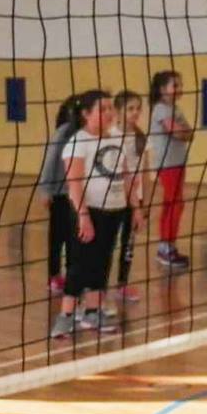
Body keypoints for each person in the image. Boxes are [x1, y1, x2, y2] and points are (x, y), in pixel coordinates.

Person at [50, 90, 133, 340]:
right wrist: (83, 216)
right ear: (86, 114)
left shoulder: (118, 137)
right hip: (89, 210)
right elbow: (74, 183)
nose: (109, 113)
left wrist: (135, 208)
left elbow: (126, 173)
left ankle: (93, 312)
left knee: (103, 262)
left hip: (115, 210)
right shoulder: (78, 141)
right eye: (102, 109)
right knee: (80, 263)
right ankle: (65, 316)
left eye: (110, 108)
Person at [145, 70, 194, 269]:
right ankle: (166, 248)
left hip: (177, 162)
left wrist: (184, 131)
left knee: (172, 203)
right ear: (162, 89)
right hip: (168, 164)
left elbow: (189, 133)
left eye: (180, 85)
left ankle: (167, 246)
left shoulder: (175, 109)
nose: (180, 89)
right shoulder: (161, 109)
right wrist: (183, 131)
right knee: (175, 203)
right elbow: (178, 132)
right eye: (175, 85)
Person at [35, 96, 81, 296]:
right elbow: (50, 161)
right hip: (60, 194)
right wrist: (45, 190)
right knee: (57, 237)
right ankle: (53, 276)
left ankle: (72, 274)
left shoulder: (84, 133)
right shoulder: (63, 132)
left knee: (74, 237)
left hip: (76, 193)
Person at [110, 90, 150, 302]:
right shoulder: (110, 136)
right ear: (118, 111)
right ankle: (96, 287)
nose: (135, 113)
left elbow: (146, 171)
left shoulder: (141, 137)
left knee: (129, 243)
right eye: (130, 109)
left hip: (136, 199)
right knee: (108, 243)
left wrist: (145, 203)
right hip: (114, 197)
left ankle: (122, 284)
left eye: (138, 109)